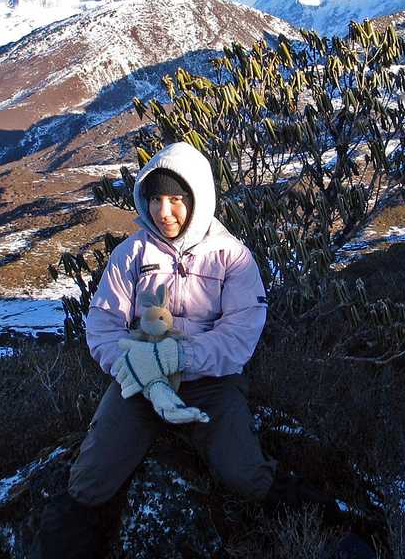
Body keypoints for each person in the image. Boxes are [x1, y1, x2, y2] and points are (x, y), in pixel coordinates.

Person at [33, 141, 282, 558]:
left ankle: (330, 521)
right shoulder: (131, 254)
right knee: (89, 482)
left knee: (246, 476)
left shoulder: (232, 257)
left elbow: (240, 335)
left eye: (176, 199)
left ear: (198, 199)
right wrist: (137, 369)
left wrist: (180, 357)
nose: (163, 212)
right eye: (154, 199)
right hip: (141, 382)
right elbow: (103, 325)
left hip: (211, 384)